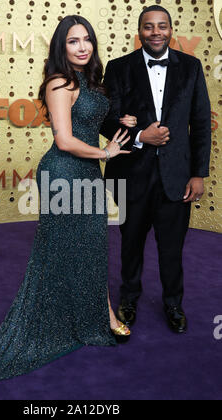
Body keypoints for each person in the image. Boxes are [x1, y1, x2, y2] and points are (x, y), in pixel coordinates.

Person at [0, 15, 137, 390]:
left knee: (90, 244)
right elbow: (64, 141)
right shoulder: (60, 82)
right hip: (65, 171)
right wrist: (106, 153)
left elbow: (90, 122)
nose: (82, 46)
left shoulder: (90, 82)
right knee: (63, 248)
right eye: (73, 41)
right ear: (62, 47)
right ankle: (94, 315)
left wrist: (122, 119)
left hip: (87, 171)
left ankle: (98, 313)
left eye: (86, 39)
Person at [100, 5, 211, 333]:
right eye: (149, 27)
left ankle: (173, 303)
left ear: (171, 30)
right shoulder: (118, 68)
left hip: (177, 176)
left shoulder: (190, 67)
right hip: (132, 174)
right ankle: (129, 298)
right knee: (130, 242)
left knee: (172, 247)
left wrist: (198, 173)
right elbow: (107, 119)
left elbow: (201, 123)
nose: (156, 32)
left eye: (162, 26)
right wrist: (139, 136)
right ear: (139, 32)